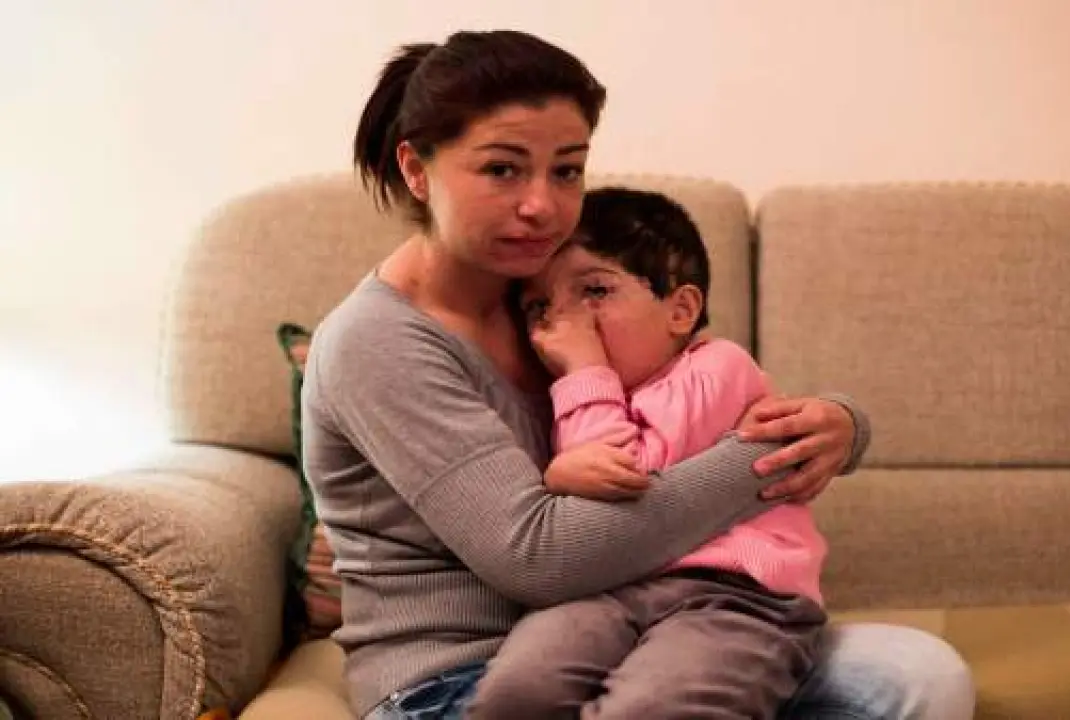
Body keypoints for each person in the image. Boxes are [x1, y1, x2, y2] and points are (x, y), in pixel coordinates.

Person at [302, 29, 975, 720]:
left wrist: (837, 425)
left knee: (918, 676)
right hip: (460, 679)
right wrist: (772, 455)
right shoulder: (377, 342)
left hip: (650, 631)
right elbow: (542, 559)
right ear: (417, 169)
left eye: (567, 171)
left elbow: (697, 389)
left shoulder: (544, 291)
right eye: (502, 170)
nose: (542, 205)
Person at [466, 187, 843, 719]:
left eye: (595, 290)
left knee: (650, 708)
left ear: (681, 310)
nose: (566, 322)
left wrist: (584, 373)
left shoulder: (718, 367)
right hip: (608, 588)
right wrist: (560, 472)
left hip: (736, 596)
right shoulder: (564, 395)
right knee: (518, 690)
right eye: (539, 307)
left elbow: (633, 480)